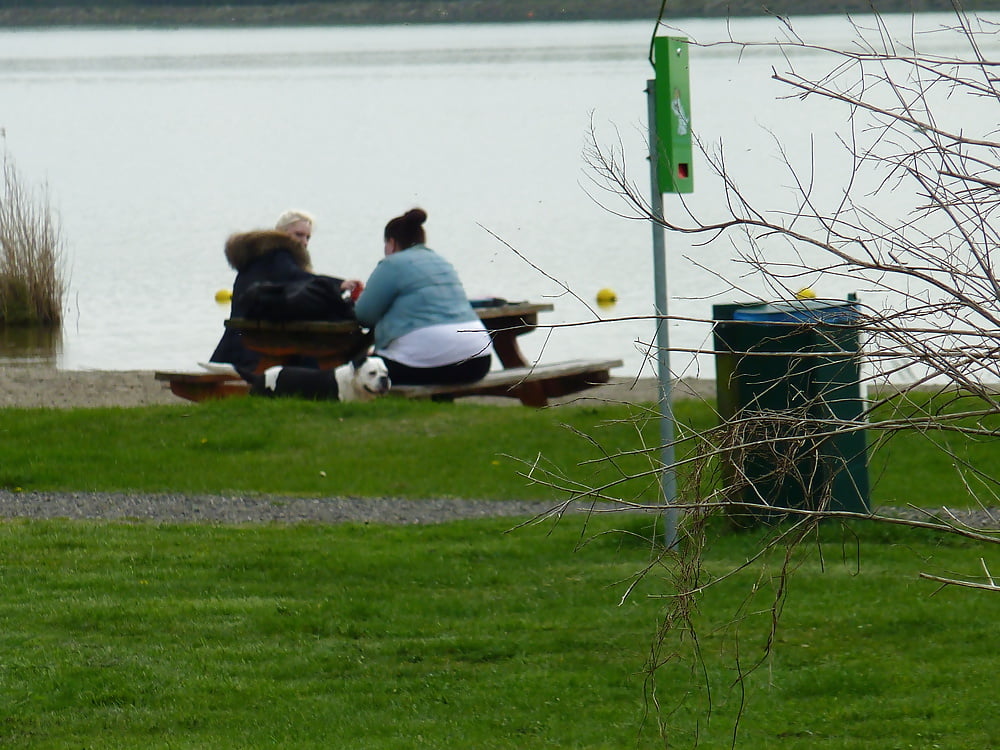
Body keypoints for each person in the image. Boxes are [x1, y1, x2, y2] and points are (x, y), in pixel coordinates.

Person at [354, 208, 492, 385]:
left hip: (428, 364)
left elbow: (364, 316)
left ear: (392, 242)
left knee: (368, 370)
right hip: (479, 360)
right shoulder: (442, 262)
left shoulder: (392, 264)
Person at [208, 211, 360, 372]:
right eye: (298, 235)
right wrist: (340, 284)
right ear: (281, 233)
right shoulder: (278, 254)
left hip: (240, 334)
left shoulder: (259, 255)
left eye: (308, 237)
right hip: (252, 339)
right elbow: (298, 278)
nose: (304, 242)